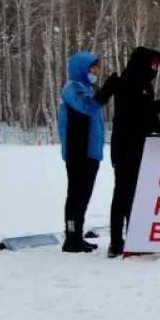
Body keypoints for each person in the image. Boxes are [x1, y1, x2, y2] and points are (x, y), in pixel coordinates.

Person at [108, 46, 160, 257]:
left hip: (139, 147)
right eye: (153, 63)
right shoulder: (128, 82)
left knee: (135, 195)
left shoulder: (145, 85)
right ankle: (116, 243)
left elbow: (148, 116)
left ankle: (134, 239)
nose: (155, 67)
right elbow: (145, 109)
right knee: (122, 195)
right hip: (125, 147)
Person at [57, 52, 117, 253]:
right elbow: (88, 107)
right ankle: (71, 238)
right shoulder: (73, 88)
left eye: (97, 69)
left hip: (89, 152)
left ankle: (77, 236)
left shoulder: (84, 88)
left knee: (83, 196)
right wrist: (108, 89)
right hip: (78, 152)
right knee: (76, 195)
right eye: (92, 69)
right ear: (81, 70)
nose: (96, 72)